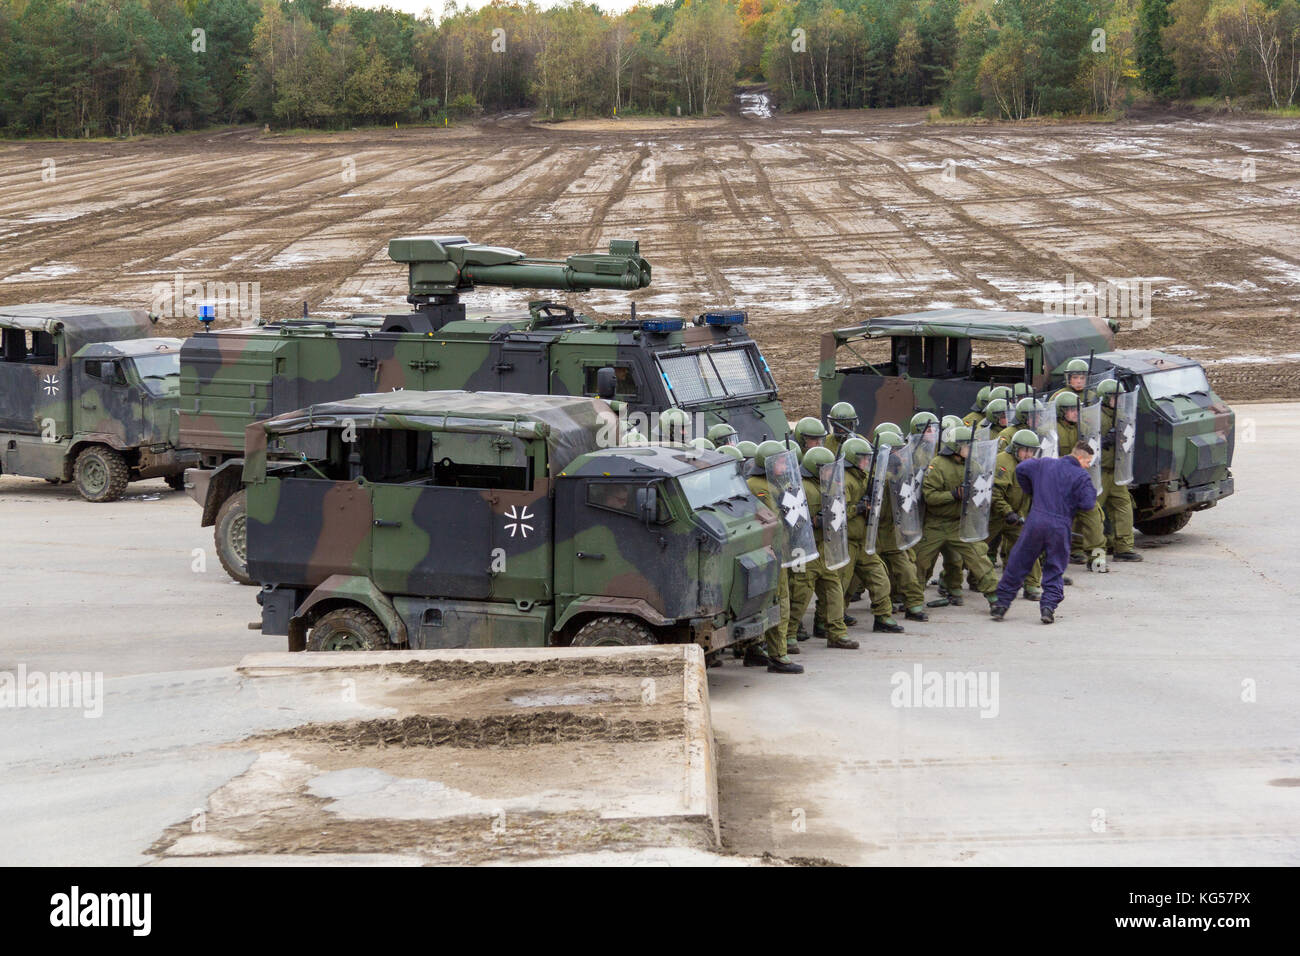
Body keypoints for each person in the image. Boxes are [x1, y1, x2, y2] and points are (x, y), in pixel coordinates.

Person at [991, 440, 1100, 624]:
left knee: (1018, 562)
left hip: (1035, 522)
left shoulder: (1044, 463)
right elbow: (1088, 504)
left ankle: (1001, 605)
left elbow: (1022, 469)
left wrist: (1032, 491)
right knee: (1055, 567)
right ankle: (1048, 608)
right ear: (1080, 458)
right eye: (1088, 462)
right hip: (1060, 525)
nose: (1088, 466)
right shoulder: (1081, 476)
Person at [912, 426, 1000, 607]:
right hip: (935, 523)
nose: (971, 449)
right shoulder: (937, 465)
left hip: (960, 524)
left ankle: (995, 597)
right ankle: (913, 601)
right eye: (967, 446)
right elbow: (929, 497)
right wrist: (953, 495)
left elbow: (981, 495)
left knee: (979, 558)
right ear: (955, 447)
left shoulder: (974, 466)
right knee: (919, 562)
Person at [787, 445, 858, 650]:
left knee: (834, 590)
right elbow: (792, 521)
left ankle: (837, 632)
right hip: (805, 550)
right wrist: (813, 522)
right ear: (815, 468)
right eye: (826, 468)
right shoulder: (801, 488)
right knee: (800, 594)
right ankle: (789, 634)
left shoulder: (829, 485)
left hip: (824, 549)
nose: (831, 472)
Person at [745, 440, 805, 673]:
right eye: (780, 461)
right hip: (767, 552)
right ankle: (778, 656)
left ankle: (755, 649)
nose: (784, 465)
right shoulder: (755, 485)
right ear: (767, 464)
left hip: (778, 550)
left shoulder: (777, 483)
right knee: (779, 602)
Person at [838, 436, 904, 633]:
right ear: (852, 459)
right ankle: (826, 620)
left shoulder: (866, 477)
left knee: (880, 577)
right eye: (863, 458)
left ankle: (883, 616)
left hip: (864, 541)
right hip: (847, 541)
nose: (867, 462)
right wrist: (858, 508)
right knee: (840, 585)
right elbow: (837, 510)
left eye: (868, 458)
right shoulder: (843, 481)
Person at [1055, 391, 1107, 571]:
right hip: (1060, 486)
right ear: (1061, 411)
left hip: (1080, 483)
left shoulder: (1085, 428)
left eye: (1077, 409)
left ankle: (1097, 560)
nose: (1075, 413)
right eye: (1070, 410)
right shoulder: (1053, 431)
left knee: (1094, 517)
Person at [990, 429, 1043, 600]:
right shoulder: (1003, 463)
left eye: (1032, 450)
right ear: (1015, 448)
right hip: (994, 516)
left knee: (1029, 545)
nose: (1028, 454)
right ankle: (952, 581)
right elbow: (995, 494)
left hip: (1016, 515)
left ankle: (1032, 585)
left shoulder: (1032, 465)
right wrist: (1007, 512)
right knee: (975, 550)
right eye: (1024, 450)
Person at [1096, 379, 1142, 562]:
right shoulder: (1093, 416)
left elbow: (1129, 438)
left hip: (1116, 471)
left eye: (1119, 397)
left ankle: (1123, 547)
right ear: (1105, 398)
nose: (1117, 400)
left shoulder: (1122, 415)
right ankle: (1095, 548)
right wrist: (1104, 440)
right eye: (1113, 397)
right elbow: (1086, 440)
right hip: (1098, 471)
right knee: (1092, 511)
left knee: (1124, 506)